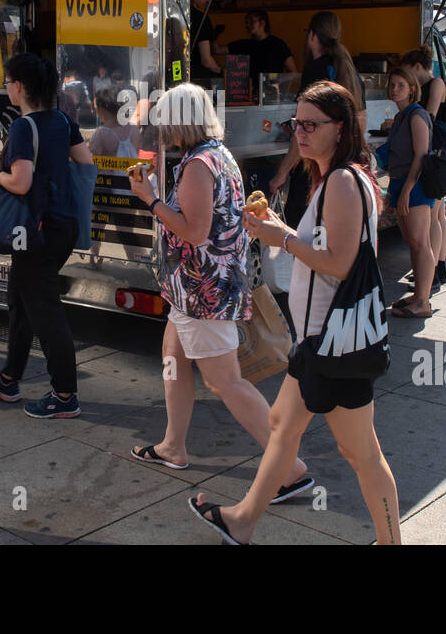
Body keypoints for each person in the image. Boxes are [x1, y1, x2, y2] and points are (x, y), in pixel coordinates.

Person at [187, 80, 401, 545]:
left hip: (333, 342)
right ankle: (242, 520)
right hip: (319, 341)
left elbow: (340, 264)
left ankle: (390, 543)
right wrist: (282, 229)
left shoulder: (343, 180)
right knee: (283, 426)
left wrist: (279, 238)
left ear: (339, 128)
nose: (299, 133)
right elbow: (327, 247)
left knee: (361, 452)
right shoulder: (336, 177)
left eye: (311, 124)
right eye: (295, 123)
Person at [125, 82, 314, 501]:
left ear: (180, 121)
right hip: (197, 289)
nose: (162, 128)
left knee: (226, 382)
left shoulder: (197, 165)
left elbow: (194, 231)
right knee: (172, 357)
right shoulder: (217, 155)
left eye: (166, 120)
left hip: (202, 291)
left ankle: (291, 469)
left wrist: (152, 200)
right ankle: (173, 446)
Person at [0, 53, 94, 419]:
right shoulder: (62, 120)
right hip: (62, 225)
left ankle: (64, 394)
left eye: (8, 81)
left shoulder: (24, 128)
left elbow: (21, 183)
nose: (6, 87)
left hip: (36, 230)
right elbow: (86, 163)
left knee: (43, 308)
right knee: (20, 299)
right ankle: (9, 377)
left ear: (20, 86)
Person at [271, 11, 367, 228]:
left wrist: (282, 172)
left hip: (313, 170)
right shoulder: (351, 71)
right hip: (343, 163)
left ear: (312, 36)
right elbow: (361, 119)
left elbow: (304, 130)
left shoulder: (315, 70)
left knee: (303, 233)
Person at [381, 68, 435, 317]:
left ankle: (423, 301)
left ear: (412, 88)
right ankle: (418, 295)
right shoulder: (401, 116)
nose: (394, 89)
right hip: (399, 182)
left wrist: (406, 191)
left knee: (420, 243)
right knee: (412, 243)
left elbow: (421, 156)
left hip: (415, 187)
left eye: (400, 85)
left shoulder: (416, 115)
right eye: (392, 84)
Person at [401, 46, 446, 289]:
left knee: (434, 215)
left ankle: (435, 269)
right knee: (437, 214)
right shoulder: (430, 84)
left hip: (438, 154)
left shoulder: (437, 83)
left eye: (409, 71)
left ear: (418, 67)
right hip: (434, 152)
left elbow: (429, 116)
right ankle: (435, 269)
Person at [226, 10, 298, 87]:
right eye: (246, 22)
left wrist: (276, 81)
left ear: (262, 23)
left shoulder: (278, 44)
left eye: (252, 21)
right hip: (249, 94)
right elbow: (217, 50)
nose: (247, 25)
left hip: (271, 95)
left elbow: (293, 72)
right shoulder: (244, 45)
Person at [188, 0, 225, 85]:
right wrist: (222, 73)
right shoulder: (201, 18)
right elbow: (206, 60)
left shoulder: (174, 15)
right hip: (198, 80)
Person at [89, 85, 140, 158]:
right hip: (130, 169)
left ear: (101, 109)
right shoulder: (134, 129)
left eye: (95, 107)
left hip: (107, 169)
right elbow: (137, 150)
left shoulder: (101, 133)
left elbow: (93, 158)